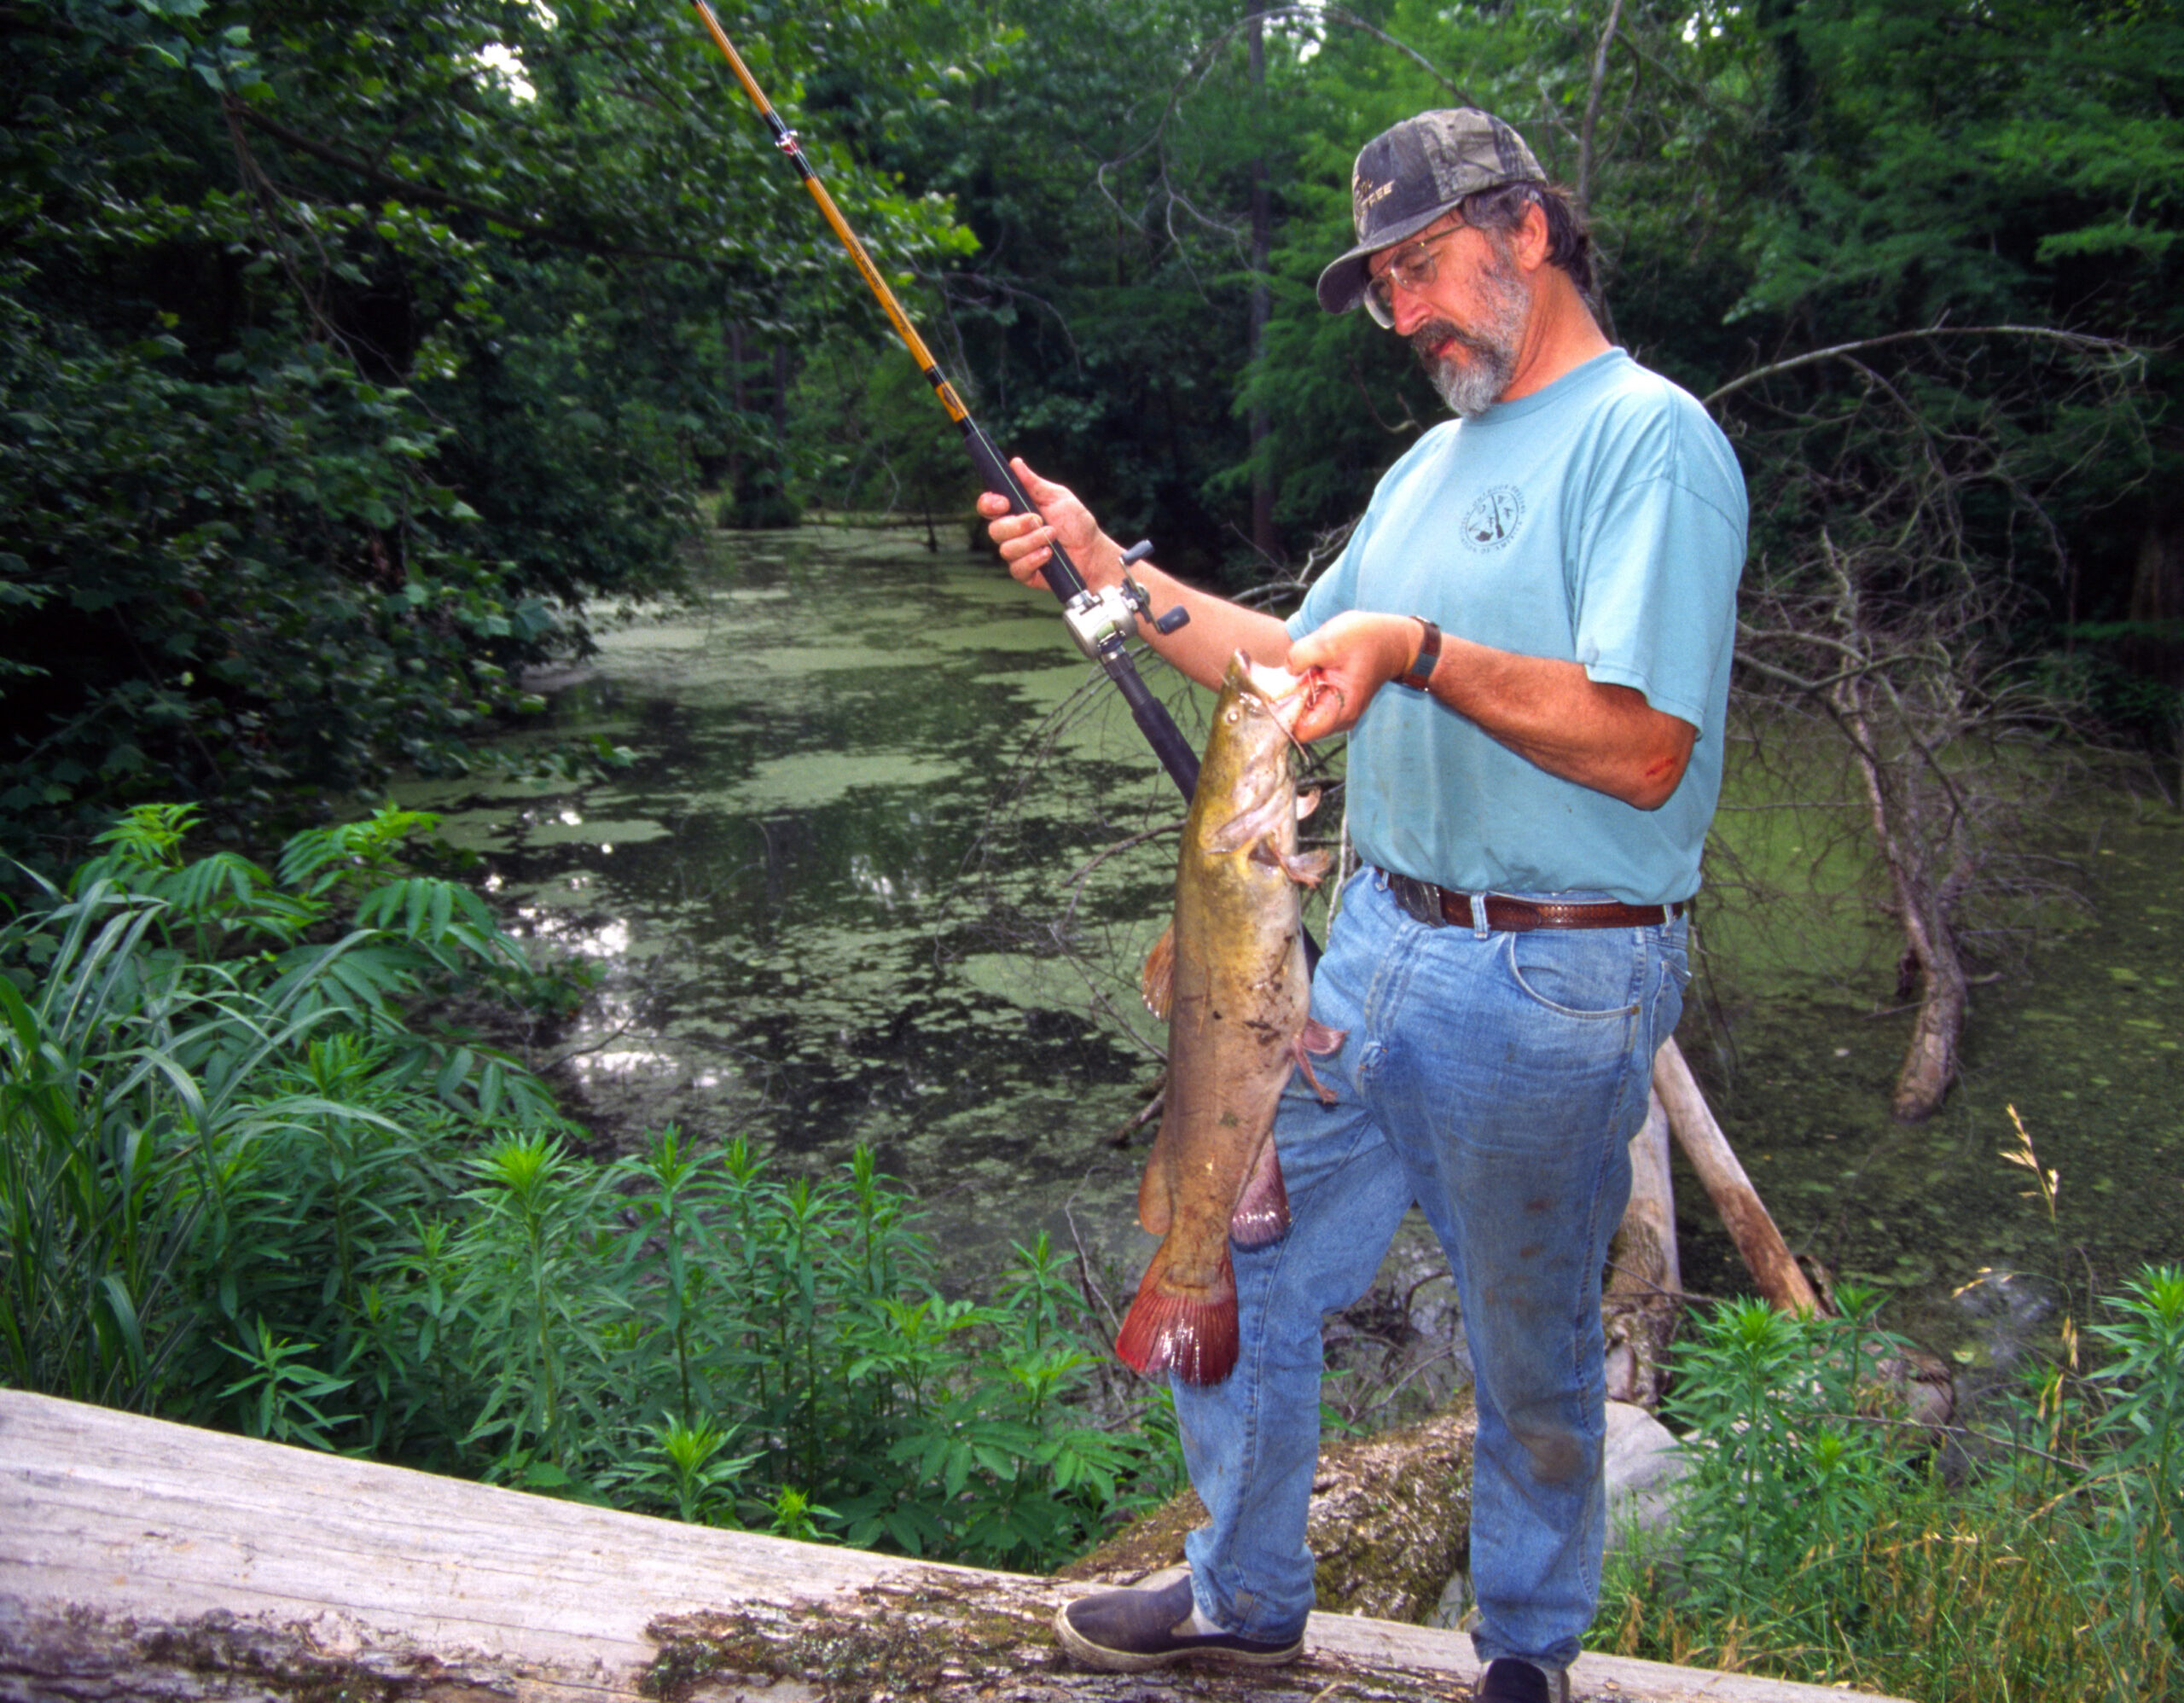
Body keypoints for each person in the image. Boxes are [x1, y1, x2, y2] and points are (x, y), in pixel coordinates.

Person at [980, 108, 1746, 1703]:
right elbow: (1287, 661)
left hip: (1551, 982)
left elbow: (1644, 747)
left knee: (1529, 1345)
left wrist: (1421, 654)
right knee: (1233, 1249)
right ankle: (1241, 1589)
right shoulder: (1427, 465)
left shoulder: (1648, 439)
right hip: (1359, 953)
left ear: (1527, 229)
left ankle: (1526, 1651)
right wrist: (1108, 568)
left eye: (1421, 270)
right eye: (1385, 285)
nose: (1406, 315)